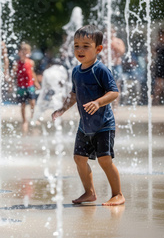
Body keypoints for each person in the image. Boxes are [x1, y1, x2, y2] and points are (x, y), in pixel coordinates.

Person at [52, 25, 125, 206]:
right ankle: (89, 192)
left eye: (86, 46)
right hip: (85, 125)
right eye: (76, 46)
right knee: (79, 159)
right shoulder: (76, 71)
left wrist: (98, 102)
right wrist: (62, 109)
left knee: (105, 160)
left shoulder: (100, 70)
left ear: (98, 49)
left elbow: (114, 92)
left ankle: (118, 194)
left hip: (103, 124)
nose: (80, 50)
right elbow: (74, 94)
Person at [12, 42, 40, 134]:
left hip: (30, 85)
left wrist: (36, 82)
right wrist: (11, 82)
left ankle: (32, 116)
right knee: (22, 105)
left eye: (26, 52)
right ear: (19, 53)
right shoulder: (16, 63)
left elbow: (33, 73)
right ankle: (24, 120)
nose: (24, 54)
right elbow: (13, 75)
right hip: (21, 87)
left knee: (32, 102)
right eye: (23, 52)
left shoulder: (31, 62)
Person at [101, 27, 126, 107]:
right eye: (107, 31)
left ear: (114, 32)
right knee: (104, 86)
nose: (109, 33)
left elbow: (122, 52)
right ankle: (106, 105)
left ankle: (115, 106)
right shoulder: (102, 41)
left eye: (111, 31)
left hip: (116, 65)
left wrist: (113, 44)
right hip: (105, 66)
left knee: (116, 85)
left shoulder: (118, 41)